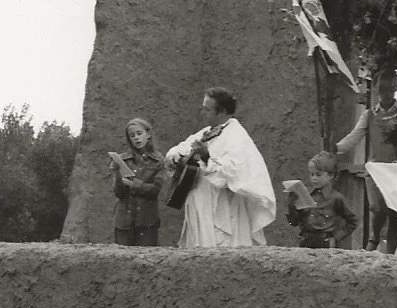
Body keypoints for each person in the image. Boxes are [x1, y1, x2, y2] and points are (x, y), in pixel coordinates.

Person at [165, 87, 276, 248]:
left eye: (207, 109)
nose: (202, 113)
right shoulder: (206, 132)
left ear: (222, 112)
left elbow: (232, 172)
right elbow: (178, 149)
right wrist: (176, 158)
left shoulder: (237, 137)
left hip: (222, 211)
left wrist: (206, 157)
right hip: (200, 206)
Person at [334, 68, 397, 253]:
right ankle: (374, 237)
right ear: (376, 90)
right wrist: (335, 148)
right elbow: (354, 136)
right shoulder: (369, 115)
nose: (386, 94)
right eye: (382, 90)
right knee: (377, 208)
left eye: (390, 90)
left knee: (394, 213)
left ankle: (389, 253)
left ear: (395, 90)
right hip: (375, 170)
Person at [286, 151, 358, 249]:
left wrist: (336, 237)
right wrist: (292, 205)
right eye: (312, 174)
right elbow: (294, 222)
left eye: (318, 175)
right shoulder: (306, 195)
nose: (314, 178)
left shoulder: (336, 198)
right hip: (305, 242)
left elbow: (353, 222)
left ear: (331, 176)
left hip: (325, 243)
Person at [111, 118, 166, 246]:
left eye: (139, 133)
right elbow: (119, 193)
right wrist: (117, 174)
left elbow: (156, 190)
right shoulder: (122, 159)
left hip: (146, 222)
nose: (136, 138)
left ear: (148, 134)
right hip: (124, 221)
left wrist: (132, 184)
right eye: (132, 135)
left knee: (146, 261)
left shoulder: (158, 161)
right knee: (122, 261)